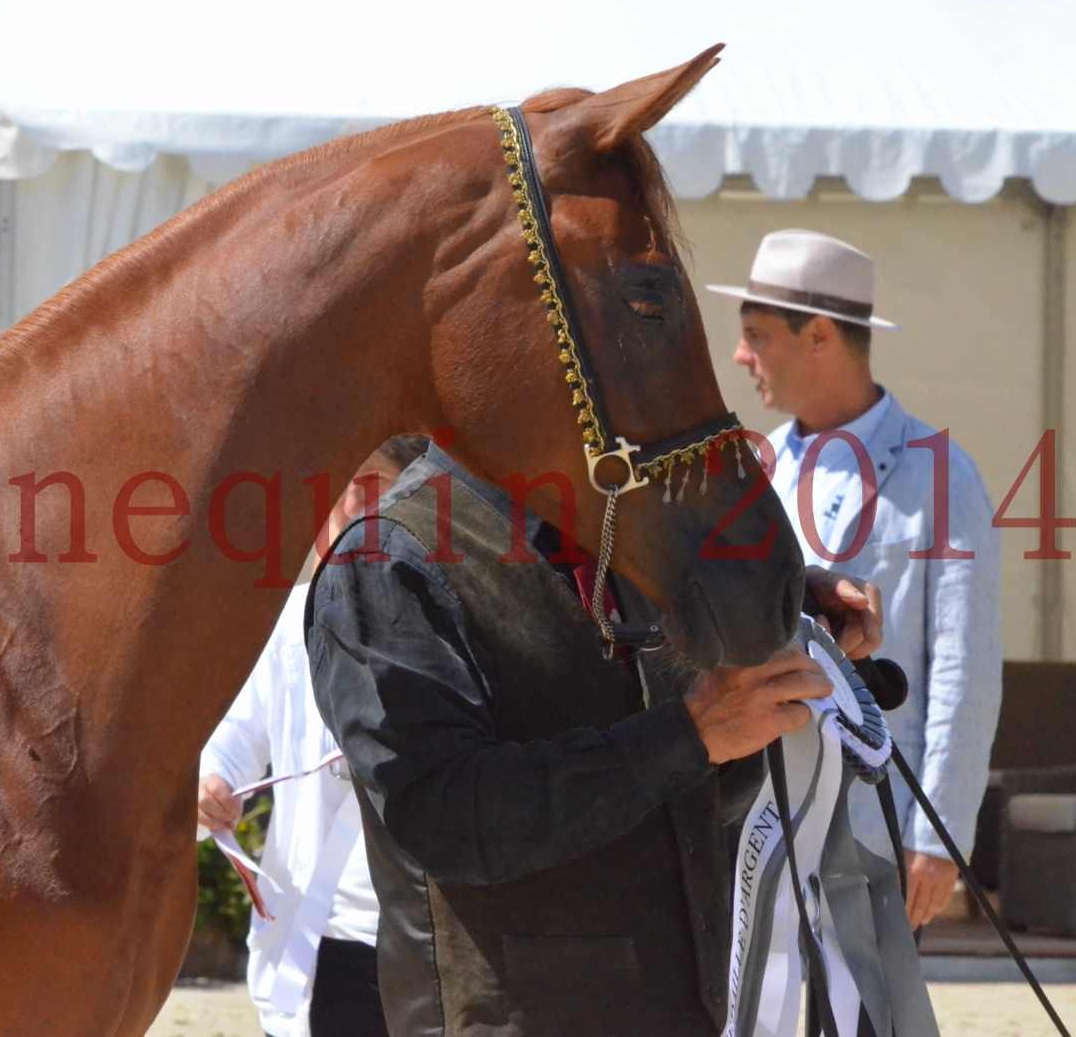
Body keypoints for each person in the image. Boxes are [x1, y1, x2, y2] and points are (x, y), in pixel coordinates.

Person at [306, 441, 881, 1036]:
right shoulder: (388, 559)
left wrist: (776, 648)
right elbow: (446, 819)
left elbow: (706, 798)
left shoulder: (633, 538)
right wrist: (691, 734)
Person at [709, 228, 1002, 930]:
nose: (740, 356)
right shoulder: (756, 471)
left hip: (878, 822)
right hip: (759, 818)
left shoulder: (938, 471)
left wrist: (936, 835)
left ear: (817, 336)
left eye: (756, 334)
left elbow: (965, 666)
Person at [197, 437, 425, 1037]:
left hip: (424, 954)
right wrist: (214, 783)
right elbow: (232, 739)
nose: (351, 500)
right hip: (312, 951)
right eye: (336, 482)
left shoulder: (457, 634)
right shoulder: (287, 623)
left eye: (374, 481)